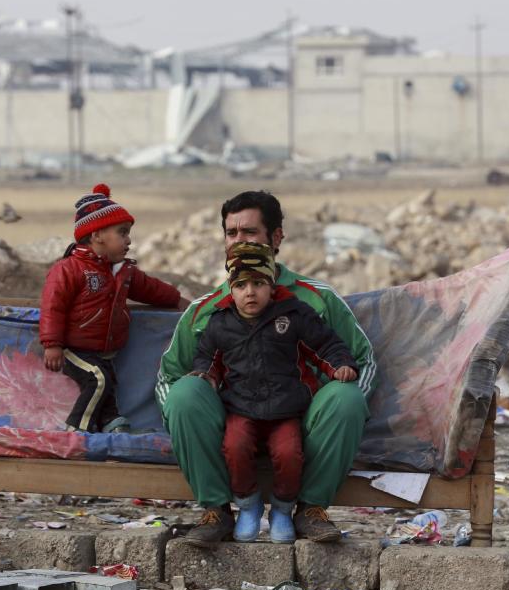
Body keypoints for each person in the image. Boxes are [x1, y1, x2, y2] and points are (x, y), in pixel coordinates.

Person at [156, 190, 376, 547]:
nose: (238, 241)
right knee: (183, 395)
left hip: (299, 417)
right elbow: (169, 377)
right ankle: (216, 511)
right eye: (231, 233)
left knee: (347, 398)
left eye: (250, 232)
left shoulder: (314, 300)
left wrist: (331, 421)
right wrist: (191, 417)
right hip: (233, 420)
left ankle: (310, 510)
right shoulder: (206, 311)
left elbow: (361, 361)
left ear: (276, 238)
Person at [190, 241, 360, 544]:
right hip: (240, 407)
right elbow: (207, 357)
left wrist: (340, 365)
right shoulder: (220, 322)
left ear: (272, 286)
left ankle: (282, 510)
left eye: (258, 283)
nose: (250, 292)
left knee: (289, 453)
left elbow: (325, 345)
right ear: (231, 290)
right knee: (235, 446)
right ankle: (249, 506)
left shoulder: (294, 314)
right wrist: (205, 375)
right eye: (241, 285)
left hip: (286, 409)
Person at [41, 183, 189, 433]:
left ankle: (111, 423)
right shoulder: (68, 269)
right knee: (99, 380)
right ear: (97, 235)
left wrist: (179, 302)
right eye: (122, 232)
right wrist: (52, 344)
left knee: (107, 382)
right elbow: (53, 307)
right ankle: (78, 429)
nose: (129, 240)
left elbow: (151, 289)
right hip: (74, 348)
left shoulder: (122, 271)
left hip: (104, 350)